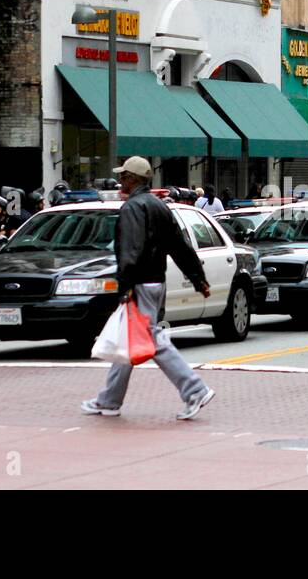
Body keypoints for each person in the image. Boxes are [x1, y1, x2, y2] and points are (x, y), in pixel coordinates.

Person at [82, 156, 216, 421]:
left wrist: (125, 286)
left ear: (133, 179)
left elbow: (130, 251)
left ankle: (195, 389)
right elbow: (180, 246)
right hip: (156, 282)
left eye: (123, 177)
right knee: (131, 337)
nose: (120, 181)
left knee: (151, 340)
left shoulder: (133, 208)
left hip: (141, 283)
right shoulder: (159, 206)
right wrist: (198, 279)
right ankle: (109, 400)